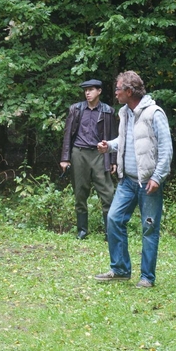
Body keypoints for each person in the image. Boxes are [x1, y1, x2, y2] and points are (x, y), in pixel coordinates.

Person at [94, 71, 173, 288]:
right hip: (127, 181)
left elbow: (166, 149)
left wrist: (157, 177)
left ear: (129, 91)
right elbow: (127, 139)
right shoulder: (125, 112)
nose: (116, 93)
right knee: (113, 219)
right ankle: (120, 269)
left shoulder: (154, 113)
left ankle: (147, 277)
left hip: (149, 183)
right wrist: (109, 146)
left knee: (149, 228)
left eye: (118, 89)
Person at [60, 79, 117, 240]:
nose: (87, 92)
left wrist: (113, 160)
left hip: (100, 154)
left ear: (99, 91)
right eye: (85, 90)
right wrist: (65, 158)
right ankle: (82, 231)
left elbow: (113, 136)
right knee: (80, 192)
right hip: (79, 153)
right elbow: (67, 134)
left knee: (107, 194)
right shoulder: (76, 109)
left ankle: (109, 232)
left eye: (91, 89)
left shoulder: (107, 111)